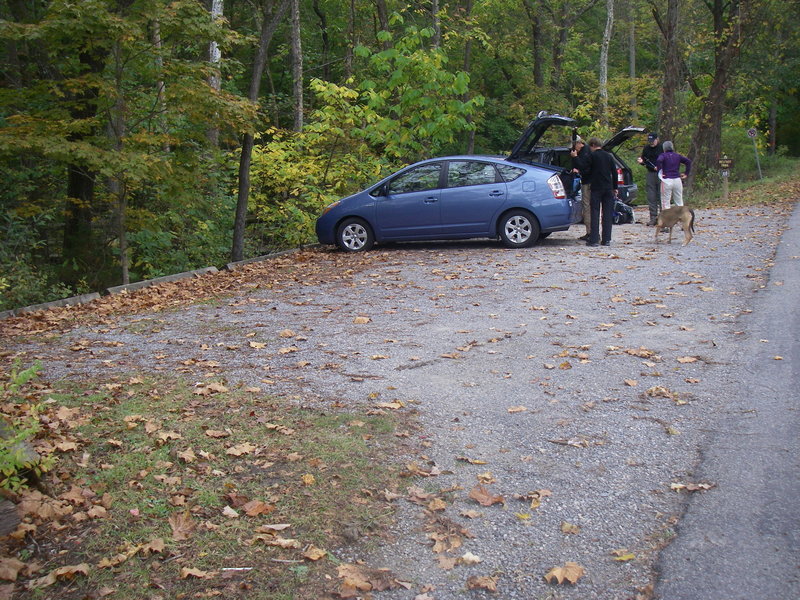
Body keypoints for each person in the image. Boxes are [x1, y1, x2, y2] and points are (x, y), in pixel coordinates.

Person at [585, 137, 618, 247]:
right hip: (608, 188)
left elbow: (587, 170)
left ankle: (594, 240)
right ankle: (606, 239)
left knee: (595, 213)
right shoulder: (609, 156)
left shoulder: (592, 156)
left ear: (593, 145)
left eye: (590, 146)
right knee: (607, 214)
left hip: (596, 188)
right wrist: (615, 187)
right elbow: (615, 172)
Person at [656, 141, 692, 209]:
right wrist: (686, 173)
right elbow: (688, 161)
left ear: (664, 148)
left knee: (665, 203)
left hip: (667, 180)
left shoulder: (663, 155)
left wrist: (660, 171)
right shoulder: (677, 156)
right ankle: (681, 217)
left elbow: (658, 161)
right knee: (679, 201)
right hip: (677, 180)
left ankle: (667, 218)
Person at [637, 132, 663, 225]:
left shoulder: (662, 148)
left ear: (657, 139)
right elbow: (644, 160)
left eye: (653, 141)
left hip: (661, 174)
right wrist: (641, 161)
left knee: (661, 196)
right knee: (651, 196)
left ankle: (663, 218)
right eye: (650, 141)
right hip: (651, 173)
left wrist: (660, 167)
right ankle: (653, 218)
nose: (651, 143)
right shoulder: (646, 148)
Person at [569, 136, 591, 240]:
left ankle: (590, 232)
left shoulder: (586, 151)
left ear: (579, 143)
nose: (574, 148)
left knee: (587, 206)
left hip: (588, 183)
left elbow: (582, 166)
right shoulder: (584, 151)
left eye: (574, 146)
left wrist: (575, 157)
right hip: (586, 181)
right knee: (586, 206)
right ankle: (589, 232)